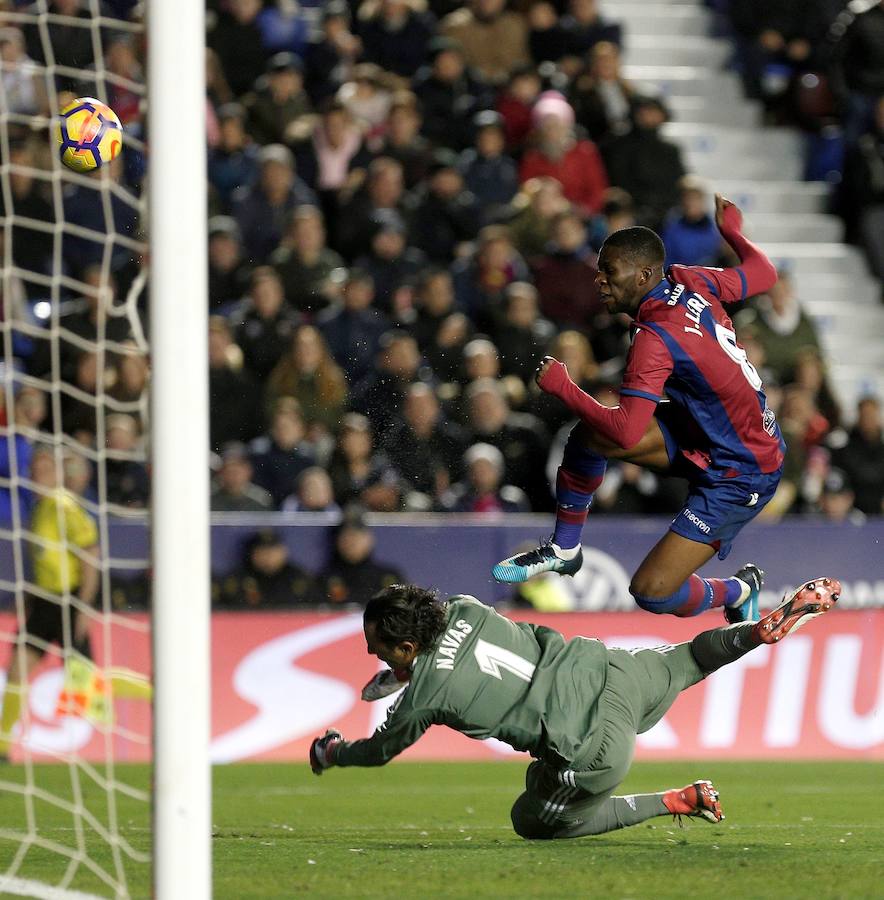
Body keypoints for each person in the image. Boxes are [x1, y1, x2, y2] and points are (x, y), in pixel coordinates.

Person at [309, 577, 841, 839]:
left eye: (376, 643)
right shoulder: (466, 609)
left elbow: (380, 750)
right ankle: (754, 630)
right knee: (689, 660)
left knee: (532, 821)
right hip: (610, 671)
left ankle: (678, 800)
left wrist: (334, 752)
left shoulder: (422, 696)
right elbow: (449, 648)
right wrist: (404, 671)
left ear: (406, 650)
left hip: (588, 745)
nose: (368, 650)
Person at [493, 195, 783, 624]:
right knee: (591, 435)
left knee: (652, 592)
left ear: (644, 274)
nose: (600, 282)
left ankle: (738, 589)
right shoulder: (691, 280)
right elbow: (764, 273)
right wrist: (733, 234)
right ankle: (564, 549)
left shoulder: (653, 339)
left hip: (743, 471)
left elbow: (628, 433)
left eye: (609, 272)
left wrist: (565, 388)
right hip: (706, 433)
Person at [0, 445, 151, 761]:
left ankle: (153, 692)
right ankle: (2, 747)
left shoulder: (65, 507)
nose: (37, 475)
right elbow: (45, 562)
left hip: (69, 601)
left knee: (85, 686)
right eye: (35, 470)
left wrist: (84, 607)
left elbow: (90, 559)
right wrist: (29, 598)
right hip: (44, 603)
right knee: (17, 670)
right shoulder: (40, 508)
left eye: (44, 470)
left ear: (58, 474)